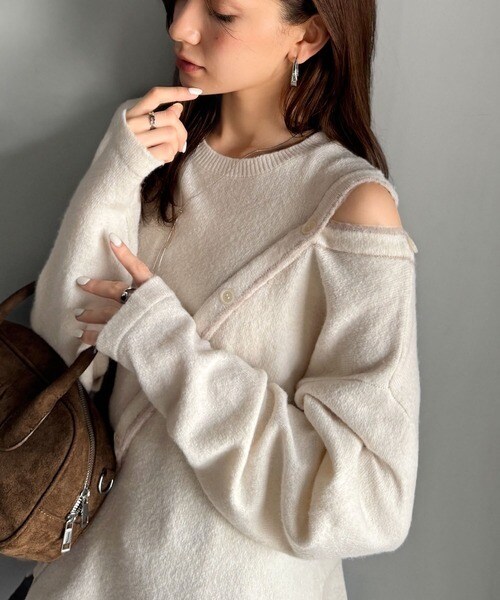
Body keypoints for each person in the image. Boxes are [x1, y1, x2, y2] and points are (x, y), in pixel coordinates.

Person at [24, 0, 420, 598]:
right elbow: (56, 374)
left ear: (308, 36)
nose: (179, 28)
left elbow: (367, 503)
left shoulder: (350, 207)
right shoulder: (155, 150)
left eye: (222, 13)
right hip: (83, 579)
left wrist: (162, 343)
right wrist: (114, 175)